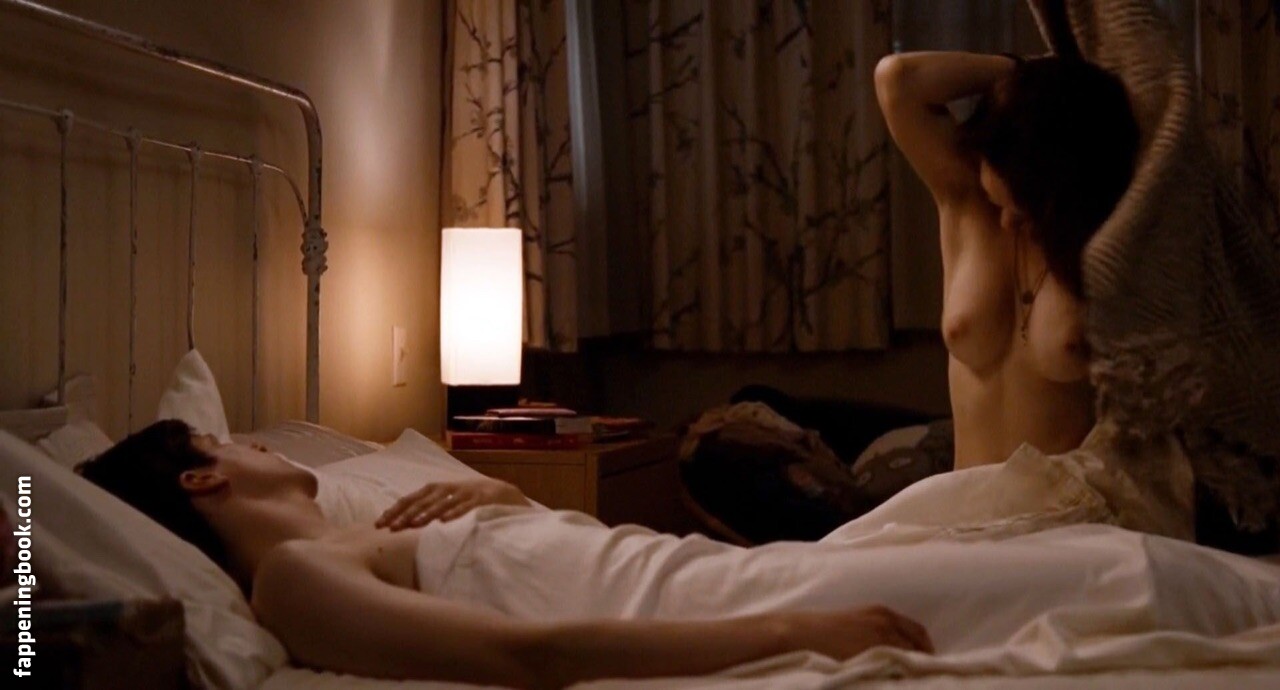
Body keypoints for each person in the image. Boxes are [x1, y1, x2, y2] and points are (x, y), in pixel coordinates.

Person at [79, 420, 933, 688]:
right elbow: (528, 653)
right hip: (735, 602)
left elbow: (566, 561)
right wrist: (792, 632)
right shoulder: (294, 578)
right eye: (230, 441)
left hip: (721, 571)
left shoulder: (373, 530)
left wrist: (506, 498)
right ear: (203, 479)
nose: (259, 442)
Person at [874, 52, 1139, 469]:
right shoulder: (964, 200)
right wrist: (1024, 74)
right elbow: (899, 79)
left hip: (1059, 505)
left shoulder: (1108, 243)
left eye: (1023, 207)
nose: (1006, 221)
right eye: (997, 198)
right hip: (965, 500)